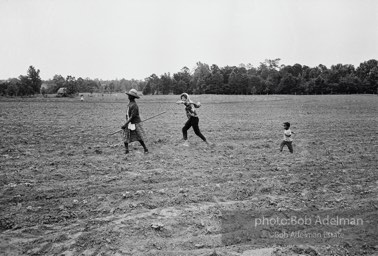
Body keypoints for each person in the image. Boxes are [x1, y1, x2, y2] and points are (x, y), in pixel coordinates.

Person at [121, 89, 148, 154]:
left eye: (129, 95)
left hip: (134, 122)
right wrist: (126, 122)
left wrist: (125, 124)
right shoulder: (129, 103)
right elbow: (128, 114)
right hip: (129, 122)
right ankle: (126, 150)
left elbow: (132, 116)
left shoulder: (134, 105)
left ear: (132, 97)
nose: (128, 96)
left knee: (139, 136)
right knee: (125, 136)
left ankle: (145, 149)